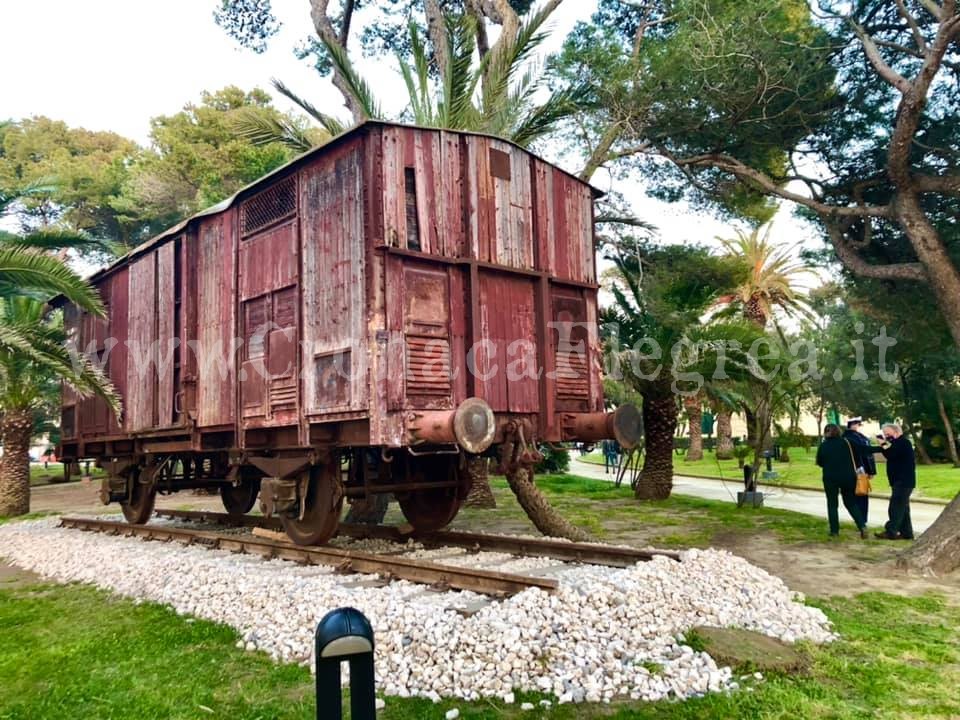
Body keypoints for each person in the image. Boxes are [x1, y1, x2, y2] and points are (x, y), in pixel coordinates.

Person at [815, 424, 867, 538]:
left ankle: (834, 531)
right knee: (851, 503)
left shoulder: (824, 446)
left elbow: (819, 462)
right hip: (848, 477)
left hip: (830, 478)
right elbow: (864, 449)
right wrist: (883, 446)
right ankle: (862, 526)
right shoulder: (847, 442)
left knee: (832, 504)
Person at [873, 423, 916, 540]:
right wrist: (884, 444)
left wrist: (882, 443)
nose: (886, 436)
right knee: (903, 508)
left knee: (895, 507)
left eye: (888, 433)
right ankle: (907, 533)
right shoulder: (897, 444)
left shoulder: (903, 443)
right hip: (899, 481)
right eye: (884, 434)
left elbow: (890, 454)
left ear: (896, 432)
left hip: (903, 481)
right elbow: (890, 452)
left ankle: (891, 531)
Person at [843, 417, 877, 524]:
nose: (858, 426)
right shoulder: (857, 438)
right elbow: (866, 454)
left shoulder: (849, 437)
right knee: (861, 494)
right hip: (859, 469)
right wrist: (871, 471)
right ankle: (862, 519)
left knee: (856, 495)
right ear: (853, 425)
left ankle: (860, 519)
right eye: (857, 424)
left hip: (853, 470)